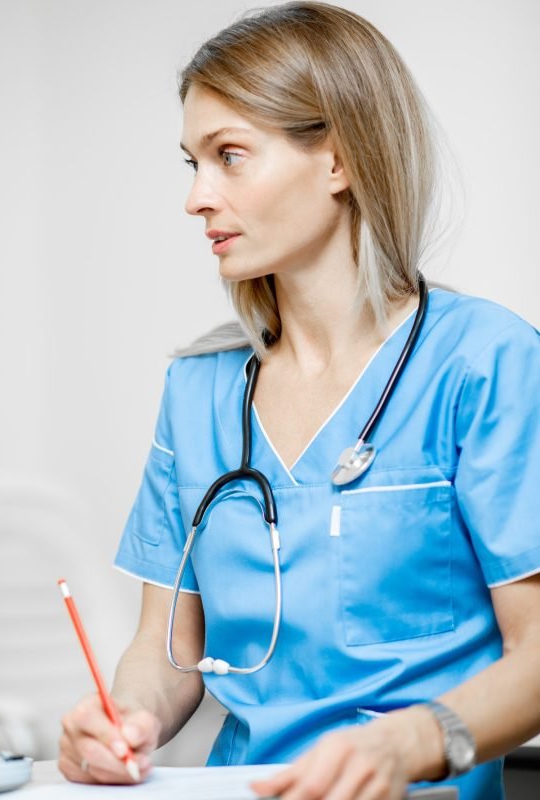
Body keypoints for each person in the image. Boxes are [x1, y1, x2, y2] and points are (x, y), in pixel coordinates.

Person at [57, 3, 540, 798]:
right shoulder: (198, 390)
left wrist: (416, 741)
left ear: (339, 161)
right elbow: (164, 649)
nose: (198, 198)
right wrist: (122, 718)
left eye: (231, 156)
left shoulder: (482, 363)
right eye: (193, 163)